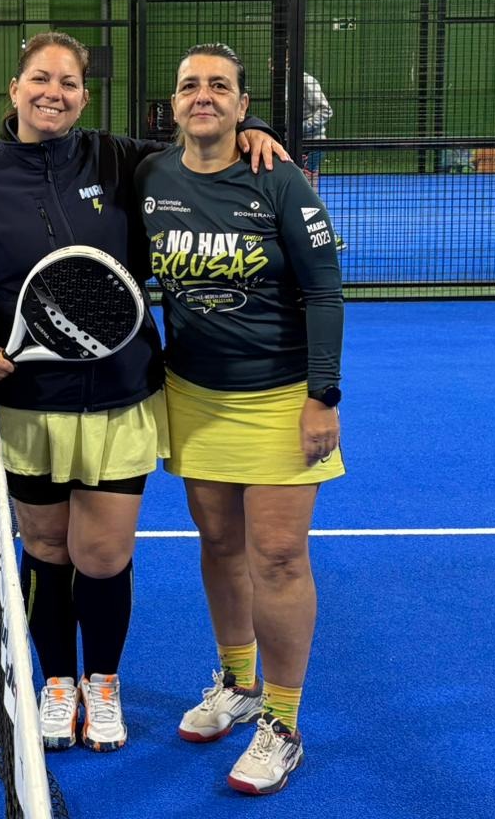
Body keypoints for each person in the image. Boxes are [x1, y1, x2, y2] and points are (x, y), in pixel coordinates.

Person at [0, 31, 288, 758]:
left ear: (84, 97)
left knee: (104, 554)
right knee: (47, 547)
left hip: (120, 395)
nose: (52, 93)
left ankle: (103, 682)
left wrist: (254, 129)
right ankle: (59, 682)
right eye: (39, 79)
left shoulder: (122, 161)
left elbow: (202, 144)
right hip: (27, 402)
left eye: (68, 82)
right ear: (15, 89)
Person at [136, 43, 344, 796]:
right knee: (220, 543)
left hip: (281, 397)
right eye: (190, 85)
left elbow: (324, 290)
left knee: (279, 557)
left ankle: (282, 723)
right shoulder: (150, 176)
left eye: (219, 86)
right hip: (193, 395)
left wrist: (323, 396)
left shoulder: (279, 180)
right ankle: (238, 680)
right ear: (173, 102)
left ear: (242, 104)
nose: (204, 96)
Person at [296, 70, 344, 252]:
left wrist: (301, 128)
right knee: (302, 192)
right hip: (297, 145)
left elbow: (326, 110)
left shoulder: (306, 81)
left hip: (311, 145)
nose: (271, 63)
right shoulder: (283, 83)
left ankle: (330, 235)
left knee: (308, 193)